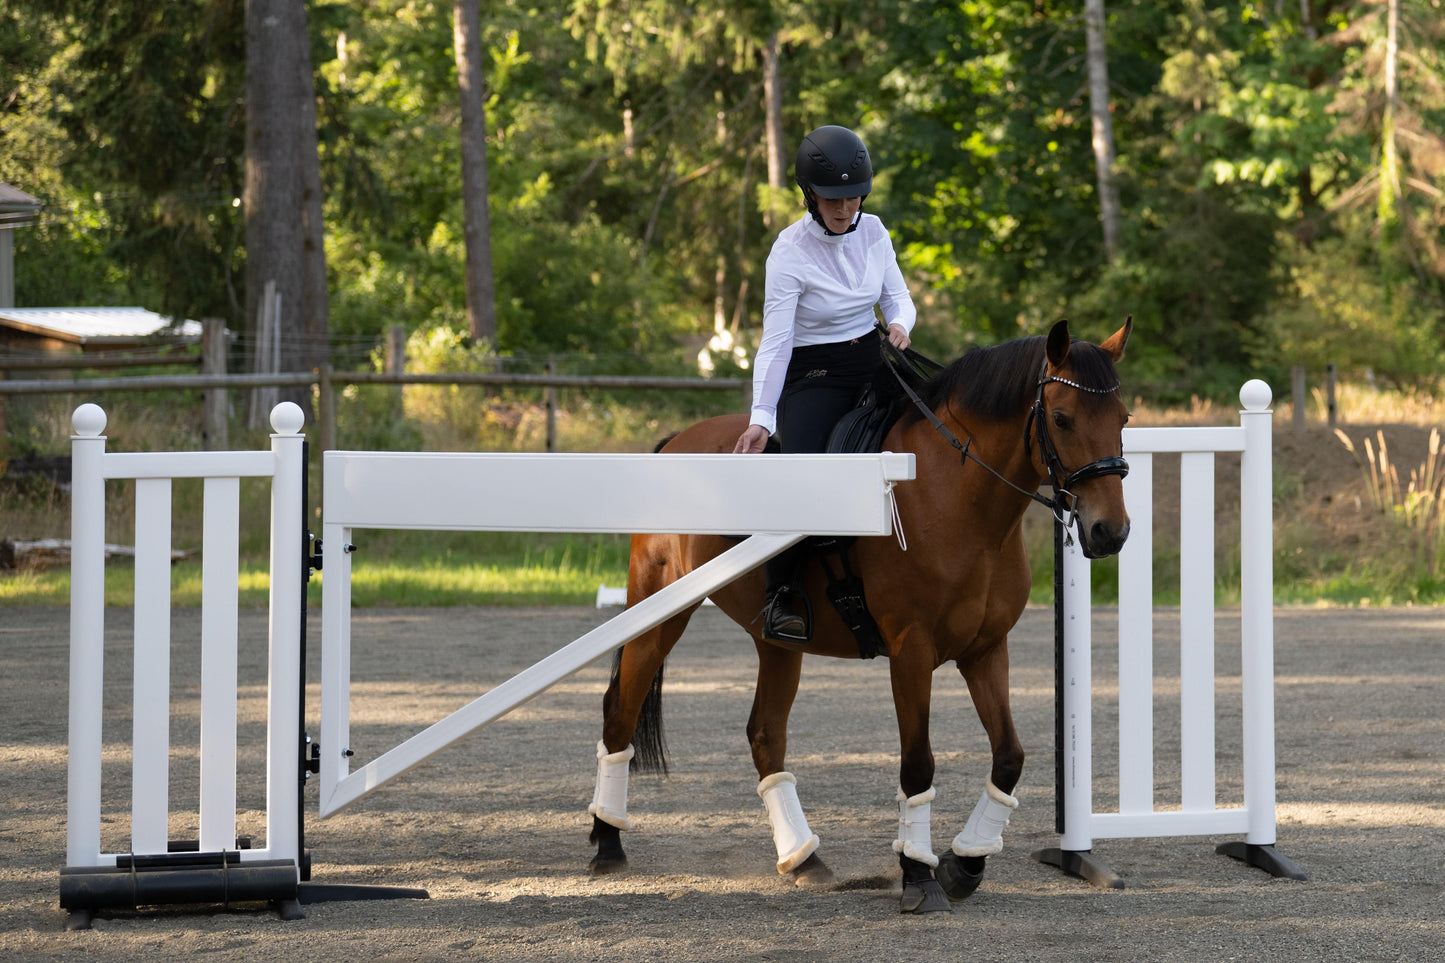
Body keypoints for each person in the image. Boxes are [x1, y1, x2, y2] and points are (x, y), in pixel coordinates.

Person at [733, 124, 917, 642]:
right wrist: (761, 419)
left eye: (854, 196)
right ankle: (782, 592)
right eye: (833, 199)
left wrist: (901, 323)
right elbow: (775, 342)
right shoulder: (788, 252)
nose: (845, 208)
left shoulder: (875, 230)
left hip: (874, 357)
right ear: (810, 195)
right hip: (814, 373)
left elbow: (898, 297)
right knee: (803, 473)